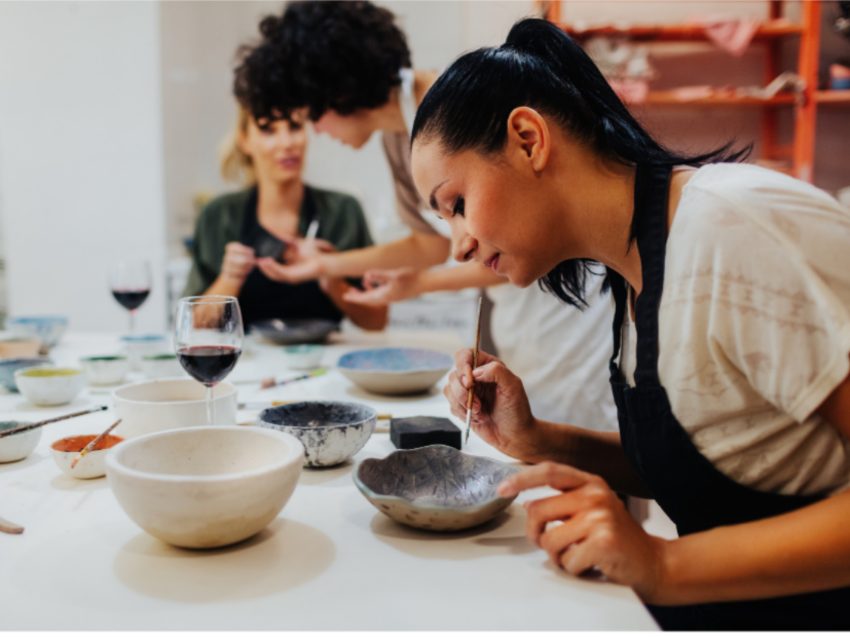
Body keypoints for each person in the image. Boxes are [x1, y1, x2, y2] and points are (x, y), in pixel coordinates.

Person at [410, 17, 850, 630]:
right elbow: (708, 458)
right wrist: (536, 438)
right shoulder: (634, 267)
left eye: (456, 204)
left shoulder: (733, 227)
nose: (458, 245)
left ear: (528, 139)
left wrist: (663, 563)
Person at [233, 0, 616, 427]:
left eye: (310, 118)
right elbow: (431, 244)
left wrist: (417, 284)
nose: (316, 133)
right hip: (522, 316)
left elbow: (504, 240)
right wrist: (328, 264)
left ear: (335, 94)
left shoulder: (445, 119)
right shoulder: (400, 133)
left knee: (582, 446)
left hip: (563, 312)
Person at [182, 104, 387, 332]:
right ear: (245, 140)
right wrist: (229, 279)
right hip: (247, 364)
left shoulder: (343, 211)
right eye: (268, 130)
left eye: (295, 127)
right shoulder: (218, 216)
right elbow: (192, 328)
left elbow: (376, 321)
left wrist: (331, 277)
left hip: (323, 364)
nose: (287, 143)